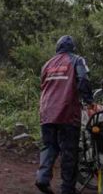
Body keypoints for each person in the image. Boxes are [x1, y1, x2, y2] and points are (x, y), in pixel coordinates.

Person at [36, 35, 94, 194]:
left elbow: (43, 86)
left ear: (57, 47)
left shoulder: (47, 64)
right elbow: (83, 79)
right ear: (72, 48)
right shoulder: (76, 60)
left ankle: (42, 178)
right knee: (69, 152)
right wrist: (89, 100)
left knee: (49, 146)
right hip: (67, 113)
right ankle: (67, 189)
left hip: (46, 112)